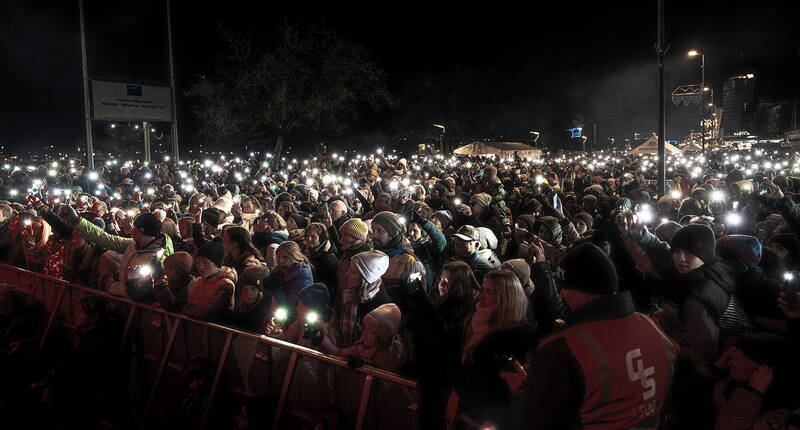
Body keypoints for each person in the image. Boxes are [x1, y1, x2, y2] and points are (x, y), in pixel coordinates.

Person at [512, 243, 679, 430]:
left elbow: (531, 417)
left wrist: (529, 384)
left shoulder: (566, 347)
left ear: (586, 289)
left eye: (566, 286)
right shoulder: (651, 326)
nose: (562, 293)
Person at [454, 270, 535, 430]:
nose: (481, 296)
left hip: (491, 421)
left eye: (489, 292)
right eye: (483, 289)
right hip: (469, 414)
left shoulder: (512, 340)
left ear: (506, 298)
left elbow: (496, 390)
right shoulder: (474, 323)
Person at [57, 205, 174, 296]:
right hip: (121, 299)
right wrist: (76, 221)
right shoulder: (131, 244)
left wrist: (112, 287)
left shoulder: (157, 258)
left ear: (142, 230)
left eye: (134, 228)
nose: (131, 230)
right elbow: (105, 239)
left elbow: (142, 290)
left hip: (138, 310)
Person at [711, 333, 800, 430]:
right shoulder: (729, 384)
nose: (733, 359)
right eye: (736, 352)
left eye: (745, 355)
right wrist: (714, 370)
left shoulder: (781, 417)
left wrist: (753, 393)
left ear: (767, 367)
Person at [322, 303, 406, 373]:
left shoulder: (390, 357)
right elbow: (339, 354)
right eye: (365, 328)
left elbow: (386, 384)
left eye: (371, 332)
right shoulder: (361, 346)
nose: (364, 333)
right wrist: (323, 340)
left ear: (382, 337)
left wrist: (366, 366)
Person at [337, 250, 393, 347]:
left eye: (353, 272)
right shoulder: (349, 294)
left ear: (366, 278)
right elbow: (336, 323)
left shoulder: (381, 307)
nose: (347, 274)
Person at [370, 211, 423, 298]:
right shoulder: (372, 255)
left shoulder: (409, 261)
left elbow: (416, 298)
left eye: (379, 231)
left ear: (392, 233)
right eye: (373, 230)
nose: (374, 235)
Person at [183, 242, 237, 322]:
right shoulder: (196, 282)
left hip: (216, 332)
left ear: (216, 263)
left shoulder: (225, 285)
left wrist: (188, 309)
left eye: (205, 262)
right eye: (198, 262)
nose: (201, 267)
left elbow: (208, 314)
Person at [263, 241, 313, 309]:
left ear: (294, 256)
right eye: (278, 257)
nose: (280, 261)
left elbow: (292, 302)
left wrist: (274, 287)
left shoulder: (302, 274)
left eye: (285, 257)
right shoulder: (281, 270)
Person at [407, 210, 447, 292]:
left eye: (415, 231)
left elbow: (441, 240)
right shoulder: (405, 248)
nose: (411, 234)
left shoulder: (428, 248)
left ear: (423, 233)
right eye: (410, 230)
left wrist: (423, 222)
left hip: (427, 290)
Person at [304, 222, 339, 303]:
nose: (308, 239)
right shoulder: (306, 251)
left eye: (313, 236)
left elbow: (330, 287)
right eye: (306, 236)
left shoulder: (329, 259)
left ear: (322, 237)